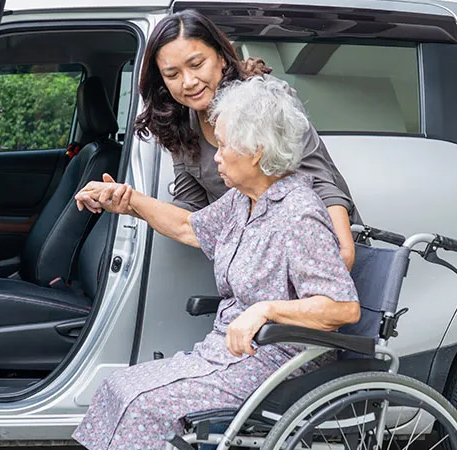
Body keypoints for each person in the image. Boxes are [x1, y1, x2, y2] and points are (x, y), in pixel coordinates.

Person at [72, 76, 360, 450]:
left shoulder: (299, 214)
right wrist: (125, 200)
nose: (216, 156)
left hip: (277, 360)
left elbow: (343, 307)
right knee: (119, 386)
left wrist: (265, 310)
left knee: (145, 406)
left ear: (256, 150)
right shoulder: (245, 199)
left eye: (223, 146)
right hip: (227, 351)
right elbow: (190, 226)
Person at [129, 9, 359, 270]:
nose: (189, 82)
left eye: (196, 64)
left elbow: (320, 184)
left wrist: (343, 252)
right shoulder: (180, 124)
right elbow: (191, 209)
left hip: (314, 251)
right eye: (173, 75)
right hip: (260, 264)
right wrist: (130, 202)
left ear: (221, 58)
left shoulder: (264, 100)